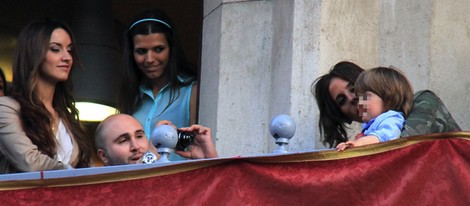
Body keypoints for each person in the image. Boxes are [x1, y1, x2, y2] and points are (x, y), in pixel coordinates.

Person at [0, 19, 92, 173]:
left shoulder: (68, 118)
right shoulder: (7, 107)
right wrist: (75, 174)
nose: (67, 57)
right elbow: (30, 163)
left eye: (69, 50)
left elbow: (89, 169)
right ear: (33, 53)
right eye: (56, 49)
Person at [311, 61, 461, 148]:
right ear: (343, 116)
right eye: (342, 101)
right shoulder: (366, 133)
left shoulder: (424, 102)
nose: (353, 98)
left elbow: (394, 148)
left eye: (354, 89)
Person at [117, 9, 198, 138]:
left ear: (171, 49)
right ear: (131, 54)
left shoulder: (192, 91)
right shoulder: (132, 95)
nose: (149, 59)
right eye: (141, 51)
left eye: (158, 49)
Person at [336, 67, 413, 151]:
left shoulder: (391, 119)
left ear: (388, 98)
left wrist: (359, 143)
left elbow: (384, 136)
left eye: (365, 97)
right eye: (359, 98)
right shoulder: (373, 124)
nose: (359, 103)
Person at [94, 114, 218, 166]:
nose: (136, 146)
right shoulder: (95, 191)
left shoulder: (169, 179)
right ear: (104, 155)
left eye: (139, 136)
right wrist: (152, 155)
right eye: (123, 140)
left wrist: (209, 159)